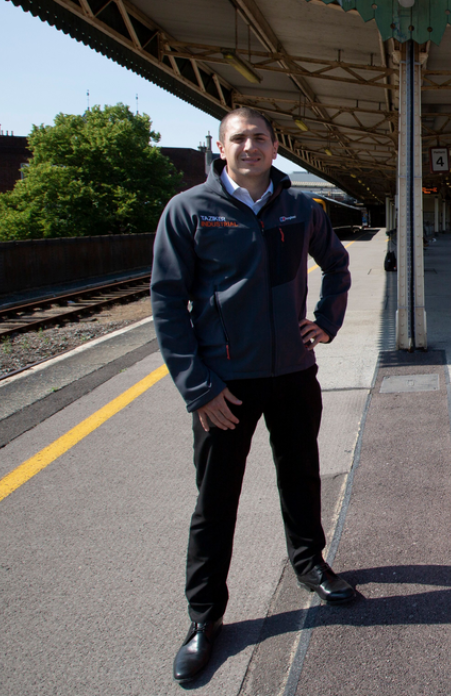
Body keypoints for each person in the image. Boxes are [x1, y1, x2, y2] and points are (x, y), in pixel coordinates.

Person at [152, 107, 355, 684]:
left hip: (292, 372)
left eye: (259, 138)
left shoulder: (301, 208)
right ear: (221, 147)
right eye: (238, 138)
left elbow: (337, 268)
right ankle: (204, 618)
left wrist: (326, 321)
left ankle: (311, 565)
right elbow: (167, 303)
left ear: (274, 147)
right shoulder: (189, 210)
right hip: (224, 384)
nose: (249, 147)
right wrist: (197, 387)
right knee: (216, 501)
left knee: (300, 475)